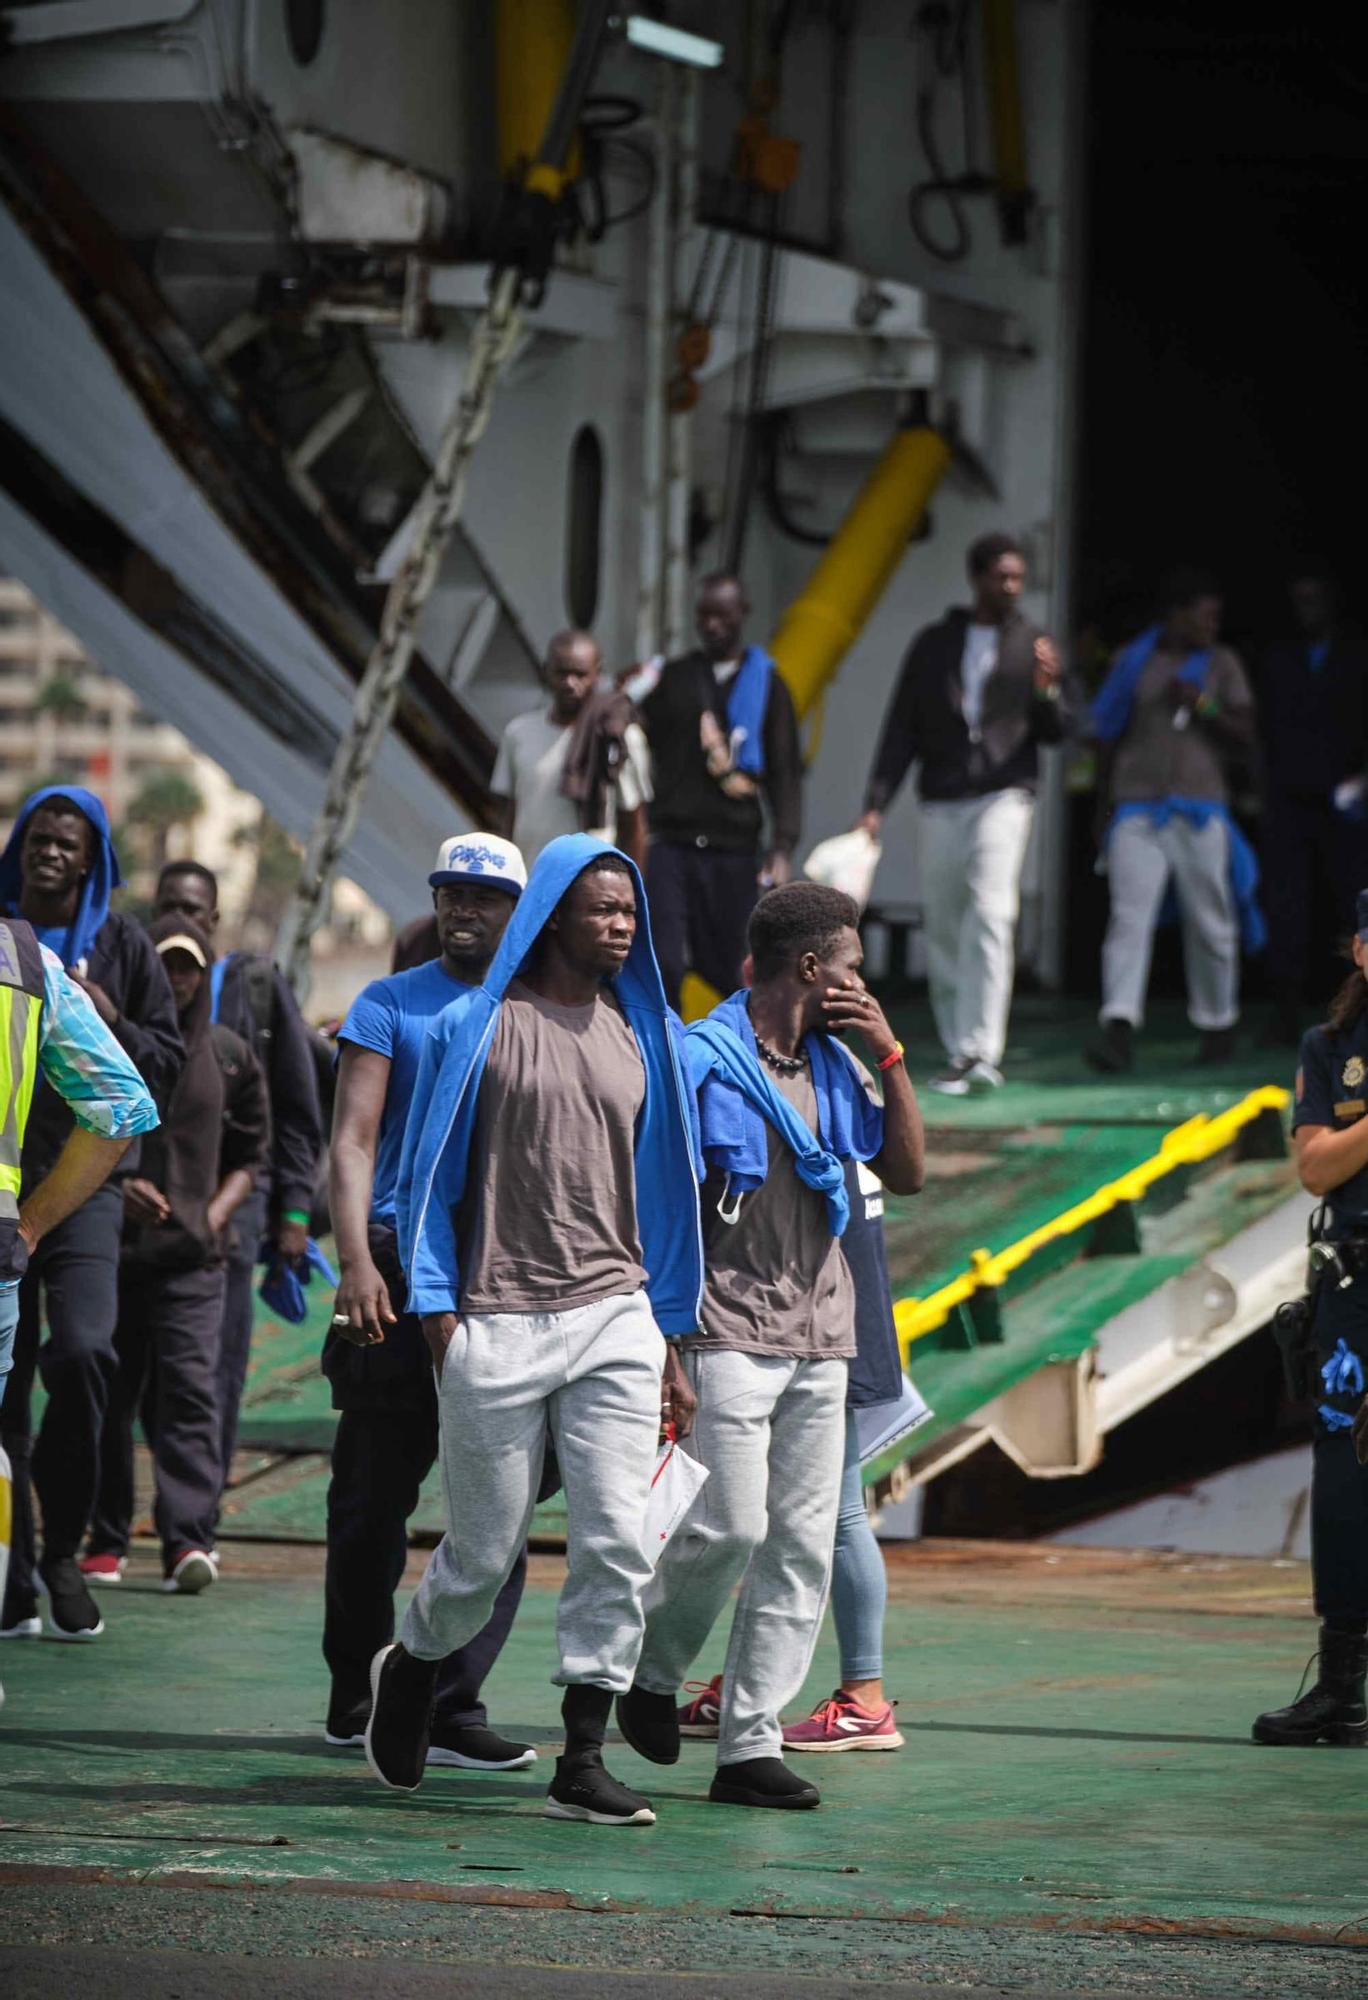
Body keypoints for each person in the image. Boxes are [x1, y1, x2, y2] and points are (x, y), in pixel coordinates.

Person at [366, 835, 703, 1828]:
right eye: (604, 908)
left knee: (615, 1538)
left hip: (615, 1314)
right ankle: (416, 1663)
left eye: (630, 912)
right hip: (496, 1322)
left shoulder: (644, 1035)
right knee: (481, 1553)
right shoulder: (479, 1024)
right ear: (553, 911)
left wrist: (670, 1332)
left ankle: (581, 1756)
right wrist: (437, 1313)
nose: (622, 926)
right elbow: (422, 1182)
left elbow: (664, 1198)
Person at [616, 883, 925, 1810]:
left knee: (799, 1544)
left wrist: (891, 1053)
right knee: (728, 1526)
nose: (860, 981)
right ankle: (653, 1670)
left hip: (822, 1334)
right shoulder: (700, 1057)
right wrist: (664, 1335)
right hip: (728, 1324)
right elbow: (658, 1198)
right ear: (809, 968)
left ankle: (749, 1743)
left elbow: (904, 1171)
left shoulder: (839, 1065)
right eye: (852, 967)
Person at [323, 832, 540, 1770]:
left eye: (486, 898)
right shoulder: (387, 1004)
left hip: (503, 1286)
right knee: (370, 1505)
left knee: (501, 1505)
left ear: (520, 912)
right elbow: (352, 1143)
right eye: (452, 892)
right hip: (393, 1275)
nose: (465, 909)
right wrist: (355, 1265)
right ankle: (352, 1691)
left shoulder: (539, 1016)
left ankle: (452, 1707)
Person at [0, 787, 183, 1643]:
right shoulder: (5, 936)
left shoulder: (125, 945)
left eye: (67, 843)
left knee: (81, 1353)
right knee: (7, 1394)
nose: (49, 852)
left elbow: (161, 1067)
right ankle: (17, 1570)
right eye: (37, 838)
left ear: (92, 858)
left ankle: (64, 1547)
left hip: (82, 1188)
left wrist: (104, 1016)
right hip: (8, 1178)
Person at [677, 1155, 912, 1756]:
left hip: (819, 1330)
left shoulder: (812, 1101)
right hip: (827, 1326)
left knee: (830, 1518)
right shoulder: (840, 1097)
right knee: (787, 1519)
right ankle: (757, 1687)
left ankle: (864, 1699)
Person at [84, 919, 269, 1592]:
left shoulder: (226, 1054)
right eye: (166, 967)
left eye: (190, 967)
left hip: (195, 1261)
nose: (178, 980)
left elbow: (254, 1151)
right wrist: (119, 1185)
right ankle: (105, 1538)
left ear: (207, 972)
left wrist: (213, 1216)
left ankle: (187, 1540)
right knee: (111, 1398)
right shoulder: (108, 1047)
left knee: (191, 1395)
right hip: (119, 1255)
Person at [857, 533, 1070, 1095]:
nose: (1011, 587)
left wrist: (1048, 691)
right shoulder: (934, 643)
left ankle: (982, 1050)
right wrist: (876, 803)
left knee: (993, 910)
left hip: (1004, 793)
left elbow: (1059, 731)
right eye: (1002, 577)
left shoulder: (1033, 643)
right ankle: (958, 1047)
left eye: (1018, 578)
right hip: (943, 795)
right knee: (946, 918)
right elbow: (901, 725)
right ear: (976, 578)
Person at [152, 862, 323, 1518]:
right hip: (152, 1196)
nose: (182, 920)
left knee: (216, 1358)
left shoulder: (252, 988)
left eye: (195, 911)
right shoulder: (139, 985)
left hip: (236, 1196)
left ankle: (199, 1509)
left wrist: (296, 1214)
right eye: (170, 905)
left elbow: (298, 1111)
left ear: (214, 921)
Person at [1253, 895, 1368, 1746]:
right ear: (1360, 950)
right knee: (1345, 1482)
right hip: (1355, 1283)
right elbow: (1316, 1165)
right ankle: (1341, 1688)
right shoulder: (1329, 1049)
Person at [1086, 570, 1259, 1073]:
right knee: (1128, 918)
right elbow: (1106, 735)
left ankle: (1217, 1023)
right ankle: (1118, 1027)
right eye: (1204, 615)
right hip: (1136, 808)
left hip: (1201, 809)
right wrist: (1102, 807)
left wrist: (1204, 705)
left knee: (1212, 920)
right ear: (1176, 615)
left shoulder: (1222, 663)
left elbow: (1247, 734)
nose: (1212, 625)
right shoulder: (1133, 662)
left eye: (1216, 617)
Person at [630, 574, 802, 1010]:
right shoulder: (674, 676)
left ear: (743, 613)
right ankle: (667, 1056)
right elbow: (632, 723)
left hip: (735, 850)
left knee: (733, 968)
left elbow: (784, 770)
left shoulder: (768, 684)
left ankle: (739, 1059)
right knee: (664, 961)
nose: (711, 625)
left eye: (721, 615)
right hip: (673, 845)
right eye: (704, 615)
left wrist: (782, 846)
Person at [1257, 569, 1368, 1045]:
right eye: (1299, 600)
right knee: (1287, 908)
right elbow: (1264, 727)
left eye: (1315, 598)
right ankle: (1284, 1011)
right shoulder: (1278, 658)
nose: (1308, 610)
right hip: (1289, 797)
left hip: (1345, 799)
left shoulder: (1357, 655)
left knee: (1351, 907)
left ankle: (1355, 1014)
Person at [492, 631, 651, 871]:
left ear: (598, 673)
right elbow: (510, 814)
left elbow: (634, 824)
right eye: (562, 673)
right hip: (530, 881)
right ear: (546, 671)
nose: (570, 683)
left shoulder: (619, 738)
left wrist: (632, 897)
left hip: (590, 887)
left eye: (580, 674)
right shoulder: (519, 732)